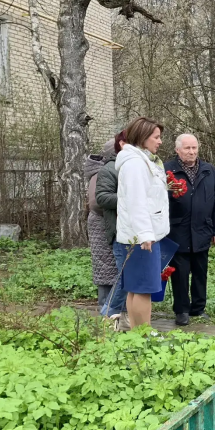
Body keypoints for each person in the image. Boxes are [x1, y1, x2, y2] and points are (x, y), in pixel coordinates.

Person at [115, 117, 170, 329]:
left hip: (138, 236)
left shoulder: (142, 161)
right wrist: (145, 234)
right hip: (141, 239)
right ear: (143, 137)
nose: (160, 141)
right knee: (143, 288)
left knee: (135, 288)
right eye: (156, 137)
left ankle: (137, 335)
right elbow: (136, 202)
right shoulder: (136, 164)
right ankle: (144, 336)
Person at [165, 134, 215, 326]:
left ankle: (198, 308)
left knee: (200, 271)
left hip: (202, 229)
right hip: (177, 229)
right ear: (177, 150)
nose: (191, 152)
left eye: (194, 148)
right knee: (180, 273)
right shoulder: (167, 171)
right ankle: (181, 310)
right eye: (187, 148)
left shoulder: (209, 171)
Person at [95, 130, 130, 330]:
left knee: (129, 276)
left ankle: (123, 319)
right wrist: (129, 197)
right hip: (119, 231)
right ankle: (108, 313)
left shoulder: (134, 166)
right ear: (123, 144)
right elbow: (101, 198)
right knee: (124, 276)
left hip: (135, 231)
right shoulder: (110, 169)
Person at [86, 138, 120, 310]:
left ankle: (112, 308)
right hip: (101, 226)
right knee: (106, 270)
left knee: (112, 269)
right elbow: (96, 203)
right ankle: (105, 308)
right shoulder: (100, 173)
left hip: (110, 224)